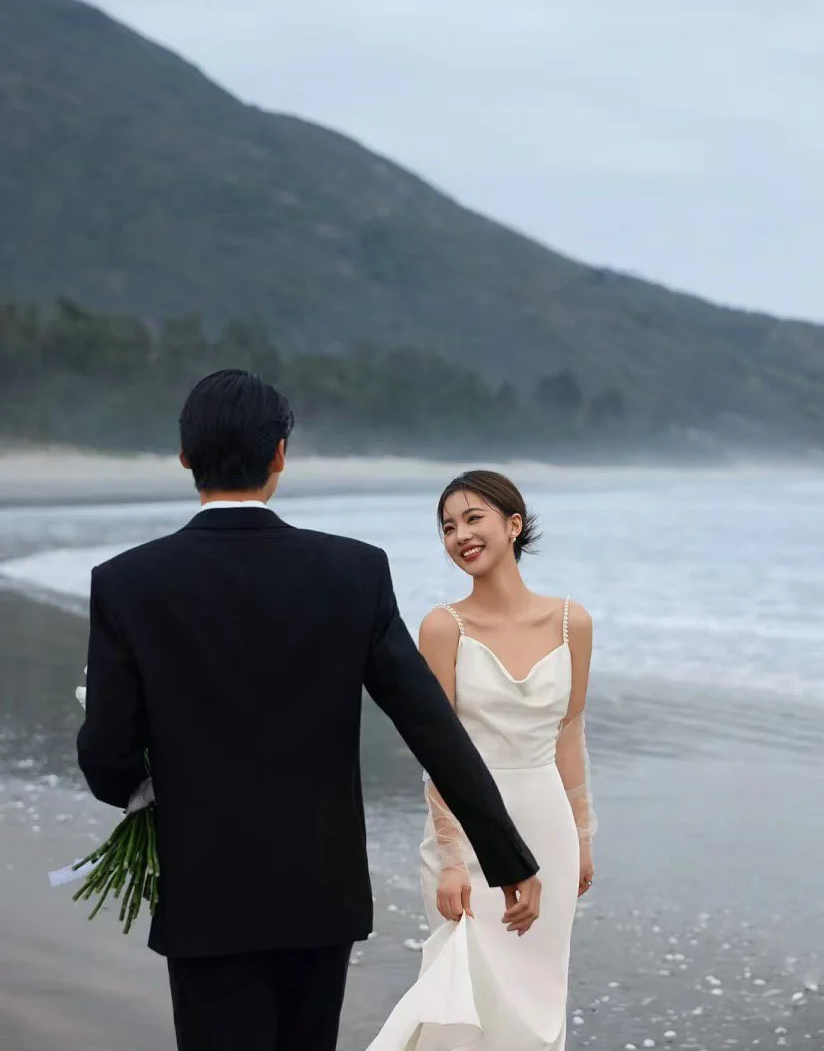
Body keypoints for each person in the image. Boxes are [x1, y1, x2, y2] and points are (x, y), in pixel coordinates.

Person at [76, 371, 542, 1051]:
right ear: (279, 455)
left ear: (184, 457)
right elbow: (431, 725)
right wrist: (505, 856)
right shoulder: (352, 572)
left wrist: (144, 787)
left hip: (207, 895)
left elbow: (107, 760)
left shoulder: (127, 583)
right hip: (319, 894)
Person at [368, 470, 596, 1051]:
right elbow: (437, 750)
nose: (460, 536)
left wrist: (583, 837)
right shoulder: (443, 628)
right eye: (447, 527)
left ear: (513, 525)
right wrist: (449, 856)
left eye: (473, 519)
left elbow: (570, 735)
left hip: (549, 831)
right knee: (462, 994)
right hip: (467, 834)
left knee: (538, 1003)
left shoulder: (573, 623)